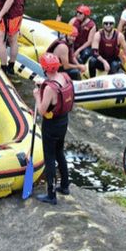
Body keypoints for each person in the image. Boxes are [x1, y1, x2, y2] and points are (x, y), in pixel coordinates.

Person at [32, 53, 73, 205]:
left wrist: (37, 95)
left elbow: (42, 111)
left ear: (44, 68)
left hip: (51, 125)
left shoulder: (49, 89)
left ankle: (51, 194)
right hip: (63, 121)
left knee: (49, 157)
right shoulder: (64, 77)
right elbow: (56, 87)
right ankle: (65, 186)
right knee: (59, 152)